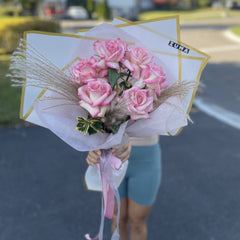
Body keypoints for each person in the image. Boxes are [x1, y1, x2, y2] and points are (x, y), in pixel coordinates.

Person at [86, 135, 161, 240]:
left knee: (137, 223)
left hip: (145, 159)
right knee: (118, 219)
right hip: (112, 156)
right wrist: (92, 148)